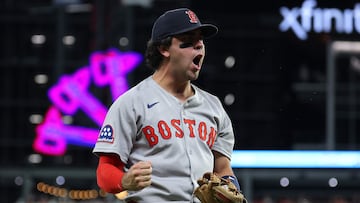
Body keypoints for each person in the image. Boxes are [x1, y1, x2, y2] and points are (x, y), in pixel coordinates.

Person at [92, 8, 241, 203]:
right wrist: (124, 180)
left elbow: (222, 169)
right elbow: (105, 172)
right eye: (188, 41)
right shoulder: (131, 103)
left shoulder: (214, 107)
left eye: (201, 41)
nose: (199, 47)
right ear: (164, 49)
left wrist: (230, 185)